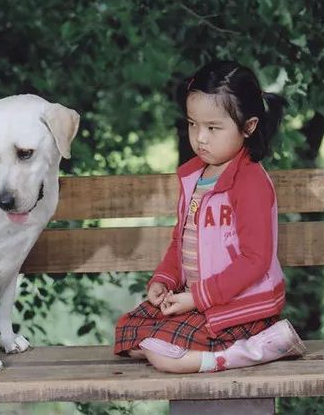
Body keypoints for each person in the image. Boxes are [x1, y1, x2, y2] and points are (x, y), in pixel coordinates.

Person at [114, 60, 305, 373]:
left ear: (249, 126)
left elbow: (255, 260)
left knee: (162, 357)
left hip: (242, 306)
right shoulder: (194, 178)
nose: (200, 137)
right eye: (192, 124)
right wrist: (165, 279)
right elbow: (181, 239)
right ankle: (196, 344)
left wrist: (195, 298)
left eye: (213, 128)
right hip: (201, 300)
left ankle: (252, 350)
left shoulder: (250, 182)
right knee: (130, 336)